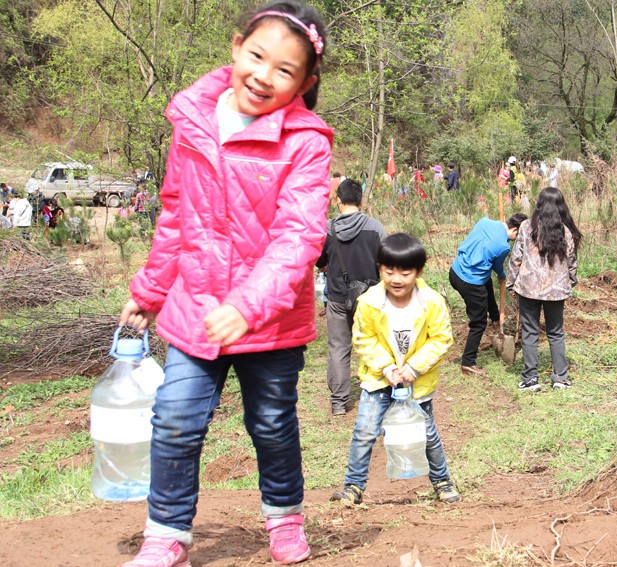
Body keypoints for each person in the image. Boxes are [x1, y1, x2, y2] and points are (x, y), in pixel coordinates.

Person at [117, 3, 333, 565]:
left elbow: (299, 237)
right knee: (175, 420)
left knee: (271, 423)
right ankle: (167, 534)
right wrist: (150, 291)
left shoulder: (306, 142)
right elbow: (175, 214)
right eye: (257, 56)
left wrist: (247, 306)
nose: (263, 76)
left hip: (271, 320)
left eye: (284, 70)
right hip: (194, 307)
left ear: (305, 83)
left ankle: (284, 517)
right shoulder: (192, 119)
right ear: (237, 48)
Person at [330, 233, 459, 506]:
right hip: (378, 380)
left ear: (419, 272)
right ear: (380, 268)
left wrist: (414, 367)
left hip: (415, 382)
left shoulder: (431, 302)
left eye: (405, 272)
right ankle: (353, 487)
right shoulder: (369, 302)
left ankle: (443, 482)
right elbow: (363, 338)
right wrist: (385, 366)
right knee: (364, 432)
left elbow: (441, 339)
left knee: (427, 434)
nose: (396, 279)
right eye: (389, 272)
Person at [316, 179, 385, 416]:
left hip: (337, 297)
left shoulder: (327, 229)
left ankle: (338, 402)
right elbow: (386, 261)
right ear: (361, 201)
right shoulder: (375, 227)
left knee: (338, 348)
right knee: (375, 344)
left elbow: (319, 260)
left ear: (338, 201)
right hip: (370, 298)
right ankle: (378, 393)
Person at [507, 187, 581, 391]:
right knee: (555, 332)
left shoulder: (526, 227)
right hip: (556, 290)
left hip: (528, 288)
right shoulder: (565, 230)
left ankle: (531, 379)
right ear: (560, 205)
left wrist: (511, 282)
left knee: (530, 332)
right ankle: (561, 378)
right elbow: (572, 261)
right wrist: (570, 281)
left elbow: (516, 257)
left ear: (539, 204)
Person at [449, 213, 527, 375]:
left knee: (487, 282)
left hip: (455, 272)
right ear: (514, 230)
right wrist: (503, 275)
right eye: (518, 236)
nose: (516, 240)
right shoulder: (503, 246)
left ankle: (495, 318)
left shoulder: (484, 221)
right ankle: (468, 362)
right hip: (470, 282)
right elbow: (497, 267)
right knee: (478, 322)